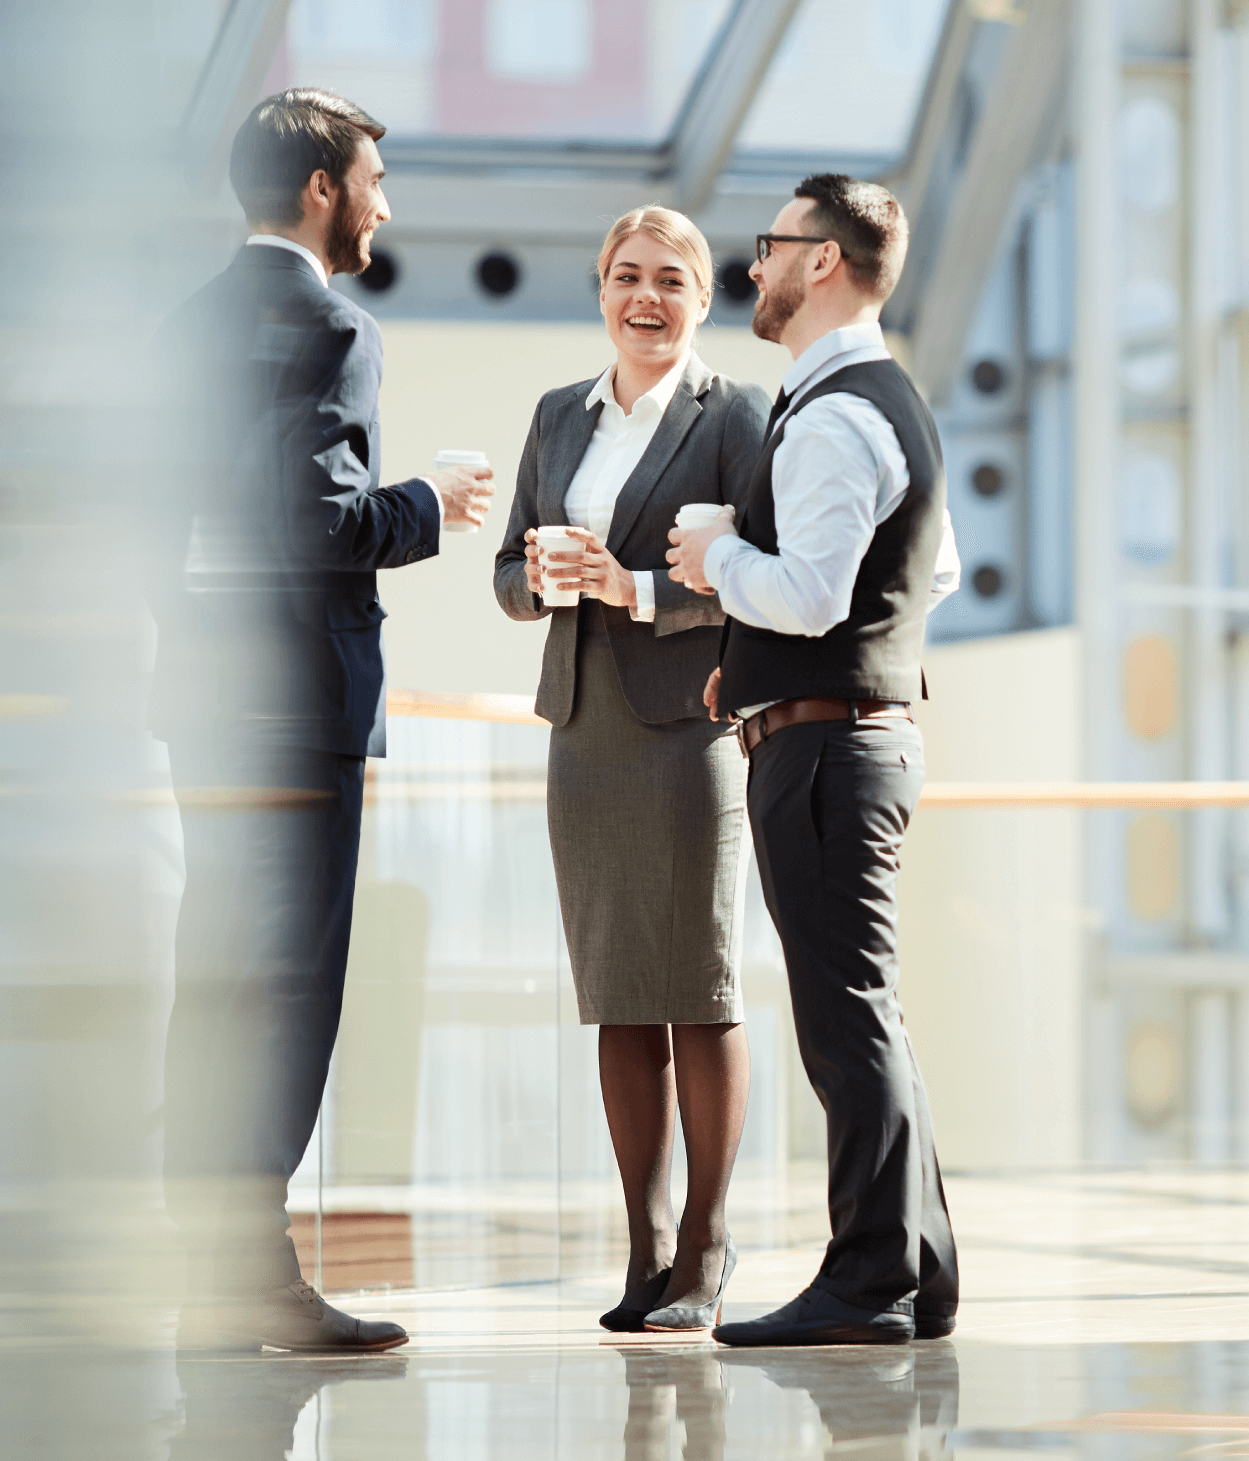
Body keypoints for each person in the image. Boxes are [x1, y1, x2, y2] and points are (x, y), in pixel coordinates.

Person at [149, 88, 494, 1353]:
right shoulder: (333, 328)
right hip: (297, 711)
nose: (383, 206)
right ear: (319, 193)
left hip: (205, 702)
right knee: (287, 992)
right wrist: (427, 502)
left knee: (216, 980)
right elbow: (321, 522)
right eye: (370, 182)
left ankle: (211, 1270)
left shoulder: (183, 327)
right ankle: (255, 1274)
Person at [667, 173, 961, 1346]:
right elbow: (929, 570)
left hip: (829, 753)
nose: (756, 267)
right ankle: (917, 1270)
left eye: (771, 246)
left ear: (822, 262)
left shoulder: (836, 413)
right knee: (863, 1014)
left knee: (844, 1022)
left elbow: (814, 591)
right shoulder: (887, 399)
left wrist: (718, 557)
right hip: (853, 734)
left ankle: (869, 1281)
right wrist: (762, 660)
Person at [494, 207, 769, 1332]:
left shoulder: (736, 414)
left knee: (697, 988)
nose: (644, 298)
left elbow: (760, 571)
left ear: (702, 300)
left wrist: (637, 592)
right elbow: (509, 573)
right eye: (624, 277)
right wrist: (545, 578)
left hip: (689, 725)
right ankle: (645, 1244)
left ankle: (707, 1242)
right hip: (583, 728)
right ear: (599, 290)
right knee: (616, 996)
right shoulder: (559, 415)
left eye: (668, 280)